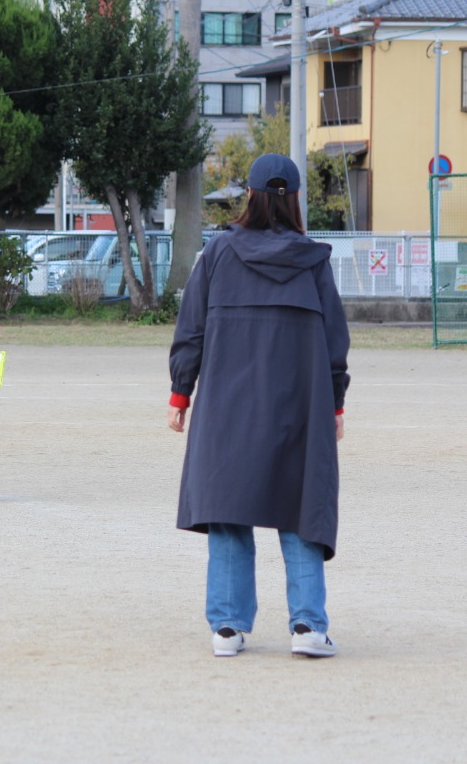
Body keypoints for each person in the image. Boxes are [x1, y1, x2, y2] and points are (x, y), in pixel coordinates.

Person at [167, 153, 350, 659]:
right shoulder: (314, 262)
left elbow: (192, 329)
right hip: (302, 406)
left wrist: (181, 393)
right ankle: (309, 627)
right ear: (293, 200)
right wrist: (335, 404)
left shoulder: (218, 254)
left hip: (227, 406)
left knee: (228, 511)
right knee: (301, 511)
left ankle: (227, 628)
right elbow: (336, 343)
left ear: (248, 195)